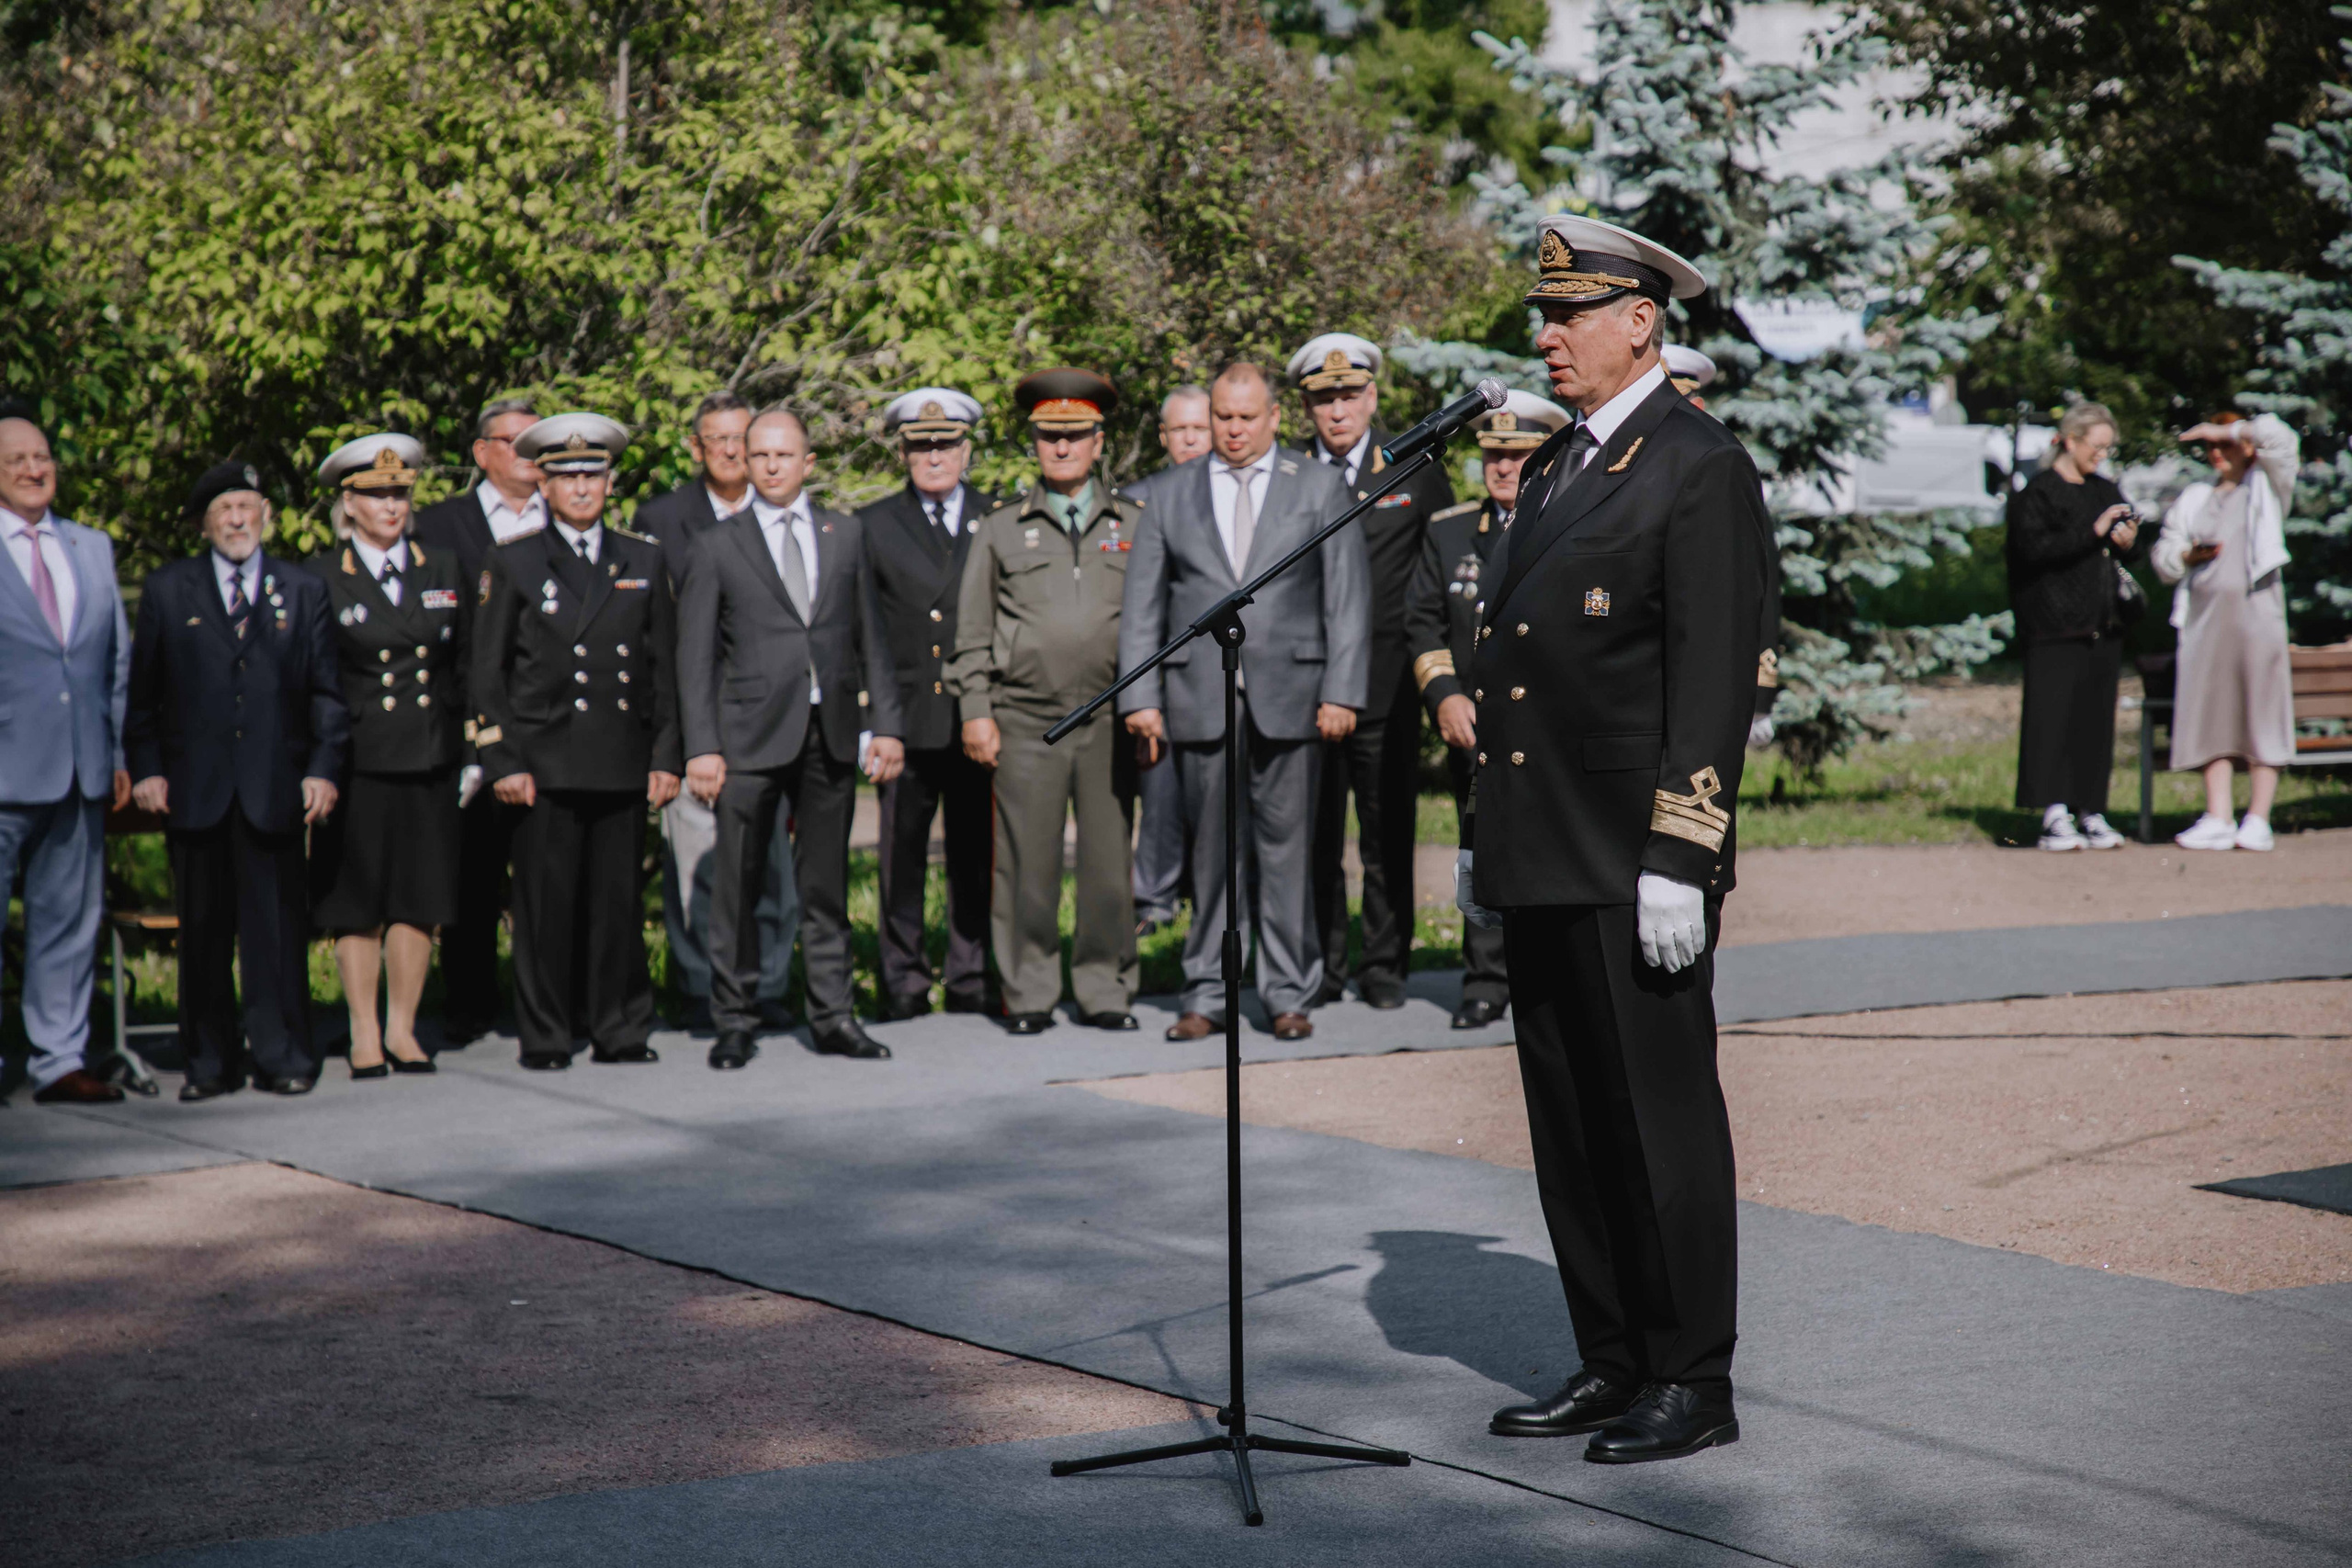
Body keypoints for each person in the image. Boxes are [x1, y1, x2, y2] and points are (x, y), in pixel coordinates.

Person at [1456, 214, 1770, 1463]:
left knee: (1658, 1119)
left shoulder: (1697, 463)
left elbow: (1711, 679)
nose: (1547, 336)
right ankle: (1613, 1355)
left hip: (1635, 855)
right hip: (1543, 848)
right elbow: (1519, 672)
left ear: (1639, 321)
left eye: (1568, 314)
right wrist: (1489, 833)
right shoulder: (1552, 467)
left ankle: (1692, 1372)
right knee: (1573, 1122)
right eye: (1544, 315)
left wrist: (1682, 854)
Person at [1119, 362, 1370, 1043]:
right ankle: (1205, 989)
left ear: (1273, 417)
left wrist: (1343, 689)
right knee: (1210, 855)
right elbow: (1142, 602)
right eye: (1222, 417)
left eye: (1245, 417)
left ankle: (1287, 990)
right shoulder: (1169, 494)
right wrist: (1140, 695)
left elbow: (1346, 596)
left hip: (1294, 694)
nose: (1232, 430)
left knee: (1287, 854)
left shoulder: (1318, 486)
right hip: (1198, 696)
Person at [676, 406, 903, 1068]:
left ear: (808, 462)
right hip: (746, 737)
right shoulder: (718, 543)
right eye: (761, 455)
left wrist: (884, 723)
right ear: (745, 462)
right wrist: (702, 745)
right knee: (739, 885)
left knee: (826, 885)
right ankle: (736, 1018)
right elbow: (696, 655)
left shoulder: (844, 533)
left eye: (785, 455)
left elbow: (872, 638)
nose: (773, 466)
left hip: (827, 731)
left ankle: (833, 1014)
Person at [129, 461, 347, 1100]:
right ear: (205, 523)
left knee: (276, 932)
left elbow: (327, 695)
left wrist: (323, 771)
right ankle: (208, 1063)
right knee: (202, 934)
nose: (237, 519)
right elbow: (142, 696)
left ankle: (283, 1055)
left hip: (275, 788)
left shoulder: (301, 590)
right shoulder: (170, 590)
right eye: (224, 509)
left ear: (266, 516)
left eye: (248, 506)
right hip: (195, 790)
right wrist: (146, 770)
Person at [472, 413, 681, 1070]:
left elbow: (662, 669)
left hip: (618, 758)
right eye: (567, 476)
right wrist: (502, 757)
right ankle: (548, 1034)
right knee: (545, 909)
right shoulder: (513, 559)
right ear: (546, 483)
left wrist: (666, 755)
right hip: (543, 763)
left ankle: (619, 1028)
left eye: (593, 474)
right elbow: (488, 673)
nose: (582, 488)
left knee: (616, 906)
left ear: (610, 482)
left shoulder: (642, 558)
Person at [948, 370, 1143, 1035]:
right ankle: (1028, 991)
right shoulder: (1002, 528)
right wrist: (976, 707)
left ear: (1098, 440)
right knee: (1027, 863)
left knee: (1108, 865)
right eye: (1048, 436)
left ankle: (1104, 988)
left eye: (1075, 435)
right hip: (1026, 720)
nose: (1061, 447)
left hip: (1113, 717)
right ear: (1033, 441)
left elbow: (1155, 620)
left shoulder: (1135, 523)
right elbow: (971, 632)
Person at [1286, 333, 1454, 1010]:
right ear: (1307, 406)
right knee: (1319, 833)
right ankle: (1326, 965)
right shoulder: (1289, 475)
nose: (1337, 410)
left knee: (1387, 833)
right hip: (1308, 685)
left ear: (1372, 395)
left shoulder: (1409, 467)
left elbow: (1439, 569)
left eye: (1348, 395)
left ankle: (1385, 964)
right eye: (1323, 398)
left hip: (1388, 683)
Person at [303, 434, 469, 1078]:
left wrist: (473, 746)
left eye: (400, 493)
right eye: (376, 495)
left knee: (418, 896)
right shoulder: (321, 576)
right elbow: (315, 677)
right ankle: (363, 1031)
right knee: (357, 900)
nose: (391, 506)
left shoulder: (442, 566)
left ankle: (404, 1028)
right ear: (350, 503)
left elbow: (463, 665)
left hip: (428, 753)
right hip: (358, 757)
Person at [1403, 389, 1567, 1030]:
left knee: (1550, 853)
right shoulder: (1448, 533)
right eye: (1495, 454)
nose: (1504, 467)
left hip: (1549, 727)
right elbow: (1419, 620)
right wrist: (1442, 695)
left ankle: (1549, 978)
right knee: (1479, 849)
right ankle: (1484, 980)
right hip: (1473, 728)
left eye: (1519, 454)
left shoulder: (1564, 524)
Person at [636, 389, 798, 1027]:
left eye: (742, 439)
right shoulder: (662, 519)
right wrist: (676, 742)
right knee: (698, 867)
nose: (732, 451)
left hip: (773, 723)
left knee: (772, 868)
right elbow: (659, 639)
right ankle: (703, 987)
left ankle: (770, 986)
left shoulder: (784, 514)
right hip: (697, 720)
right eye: (718, 440)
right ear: (696, 447)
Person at [0, 402, 132, 1105]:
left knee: (67, 923)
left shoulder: (91, 545)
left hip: (80, 765)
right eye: (17, 458)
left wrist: (114, 749)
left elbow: (114, 661)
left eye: (42, 456)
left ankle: (58, 1060)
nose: (33, 468)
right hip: (3, 768)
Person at [857, 389, 995, 1020]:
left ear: (966, 449)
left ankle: (971, 974)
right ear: (903, 452)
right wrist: (875, 722)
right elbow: (866, 632)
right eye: (921, 446)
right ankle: (904, 978)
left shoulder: (997, 518)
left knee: (976, 852)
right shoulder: (874, 525)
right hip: (906, 718)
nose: (934, 455)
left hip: (974, 716)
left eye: (945, 444)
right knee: (900, 857)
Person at [411, 398, 544, 1042]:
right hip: (467, 718)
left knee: (546, 870)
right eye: (512, 440)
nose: (527, 452)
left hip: (549, 720)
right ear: (481, 452)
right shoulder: (439, 525)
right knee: (472, 869)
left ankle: (548, 1001)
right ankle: (468, 1001)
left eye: (534, 440)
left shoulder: (571, 512)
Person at [2154, 412, 2301, 852]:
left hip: (2257, 616)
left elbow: (2281, 438)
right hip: (2204, 619)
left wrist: (2228, 429)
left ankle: (2258, 817)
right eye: (2211, 447)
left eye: (2227, 444)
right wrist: (2185, 555)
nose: (2217, 452)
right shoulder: (2196, 496)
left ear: (2246, 445)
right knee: (2210, 712)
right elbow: (2165, 552)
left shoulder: (2268, 487)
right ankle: (2217, 815)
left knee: (2261, 709)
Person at [2005, 400, 2142, 852]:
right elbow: (2032, 552)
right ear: (2071, 439)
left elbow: (2118, 546)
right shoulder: (2037, 493)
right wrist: (2093, 531)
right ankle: (2052, 813)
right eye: (2096, 447)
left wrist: (2127, 540)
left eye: (2107, 448)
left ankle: (2092, 810)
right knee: (2052, 721)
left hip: (2103, 623)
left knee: (2095, 722)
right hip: (2052, 625)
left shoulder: (2104, 489)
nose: (2101, 456)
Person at [1125, 385, 1213, 934]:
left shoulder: (1240, 495)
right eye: (1178, 429)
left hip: (1222, 669)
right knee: (1158, 795)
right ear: (1163, 437)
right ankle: (1154, 902)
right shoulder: (1137, 501)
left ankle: (1213, 899)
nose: (1189, 439)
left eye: (1198, 428)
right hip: (1160, 671)